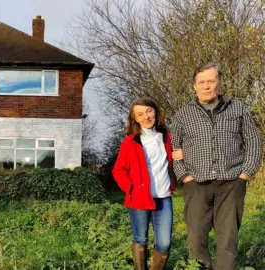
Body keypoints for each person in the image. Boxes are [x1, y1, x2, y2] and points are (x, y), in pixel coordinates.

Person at [171, 62, 263, 269]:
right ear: (194, 86)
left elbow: (254, 143)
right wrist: (185, 176)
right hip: (196, 185)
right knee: (196, 239)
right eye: (201, 82)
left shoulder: (238, 109)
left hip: (231, 184)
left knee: (228, 240)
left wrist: (245, 174)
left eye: (210, 81)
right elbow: (174, 149)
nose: (206, 86)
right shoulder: (182, 115)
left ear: (219, 83)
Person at [112, 97, 177, 270]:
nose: (146, 116)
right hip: (139, 199)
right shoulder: (131, 142)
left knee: (164, 243)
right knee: (141, 239)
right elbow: (118, 170)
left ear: (155, 111)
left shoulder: (167, 136)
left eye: (149, 111)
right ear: (135, 119)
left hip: (163, 198)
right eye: (140, 114)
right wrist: (131, 189)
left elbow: (175, 158)